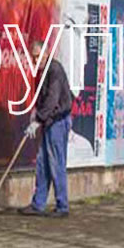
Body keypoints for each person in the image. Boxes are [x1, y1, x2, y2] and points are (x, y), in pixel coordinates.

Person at [22, 54, 72, 216]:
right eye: (33, 57)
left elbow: (52, 99)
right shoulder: (42, 71)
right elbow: (42, 97)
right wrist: (36, 111)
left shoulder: (54, 69)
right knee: (43, 163)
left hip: (58, 121)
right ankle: (38, 204)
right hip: (49, 121)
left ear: (46, 53)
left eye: (37, 56)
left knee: (56, 163)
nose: (35, 60)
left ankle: (62, 206)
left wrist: (39, 119)